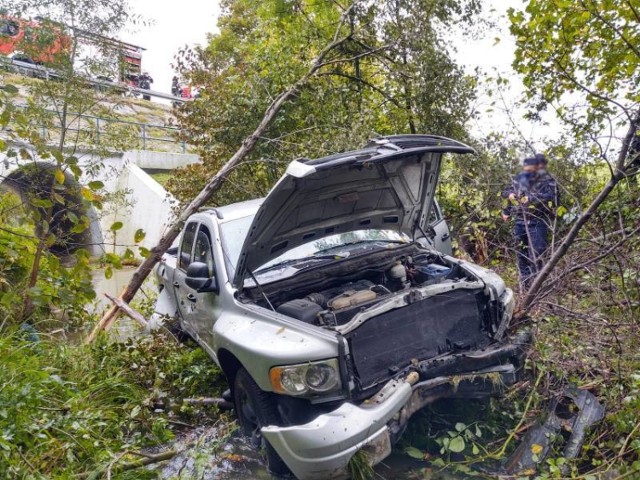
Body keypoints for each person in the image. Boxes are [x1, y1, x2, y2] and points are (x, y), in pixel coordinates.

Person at [502, 154, 558, 289]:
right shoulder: (520, 179)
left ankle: (536, 287)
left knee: (537, 254)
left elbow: (552, 198)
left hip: (537, 222)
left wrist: (532, 199)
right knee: (521, 254)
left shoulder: (548, 180)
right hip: (520, 221)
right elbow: (508, 192)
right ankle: (525, 285)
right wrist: (506, 209)